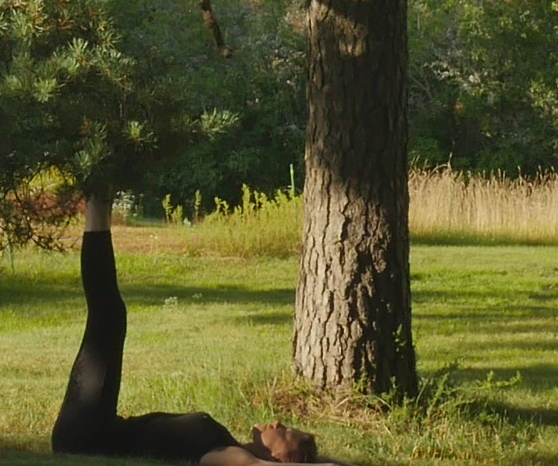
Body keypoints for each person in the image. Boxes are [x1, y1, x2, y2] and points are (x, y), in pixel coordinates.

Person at [50, 194, 342, 465]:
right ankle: (99, 200)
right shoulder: (226, 441)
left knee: (109, 316)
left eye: (287, 432)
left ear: (281, 457)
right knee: (109, 315)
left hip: (86, 437)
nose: (278, 423)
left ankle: (98, 198)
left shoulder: (230, 455)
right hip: (102, 426)